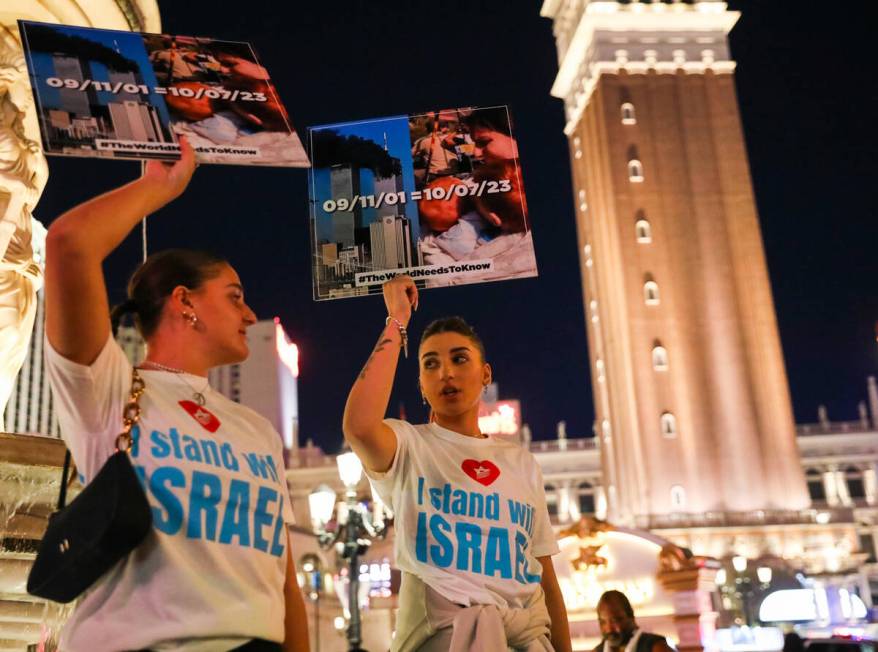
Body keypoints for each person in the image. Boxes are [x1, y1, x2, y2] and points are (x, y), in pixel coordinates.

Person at [43, 137, 309, 652]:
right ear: (185, 302)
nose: (250, 315)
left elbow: (283, 582)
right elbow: (69, 244)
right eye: (235, 297)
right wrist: (155, 187)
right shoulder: (110, 390)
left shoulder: (257, 431)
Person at [343, 275, 572, 651]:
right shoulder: (410, 446)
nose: (445, 372)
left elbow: (545, 578)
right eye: (430, 364)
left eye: (459, 359)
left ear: (486, 374)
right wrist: (397, 319)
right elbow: (359, 427)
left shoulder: (521, 463)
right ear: (420, 384)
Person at [594, 591, 673, 652]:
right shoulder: (597, 651)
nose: (609, 629)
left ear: (631, 617)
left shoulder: (656, 647)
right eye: (603, 622)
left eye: (614, 621)